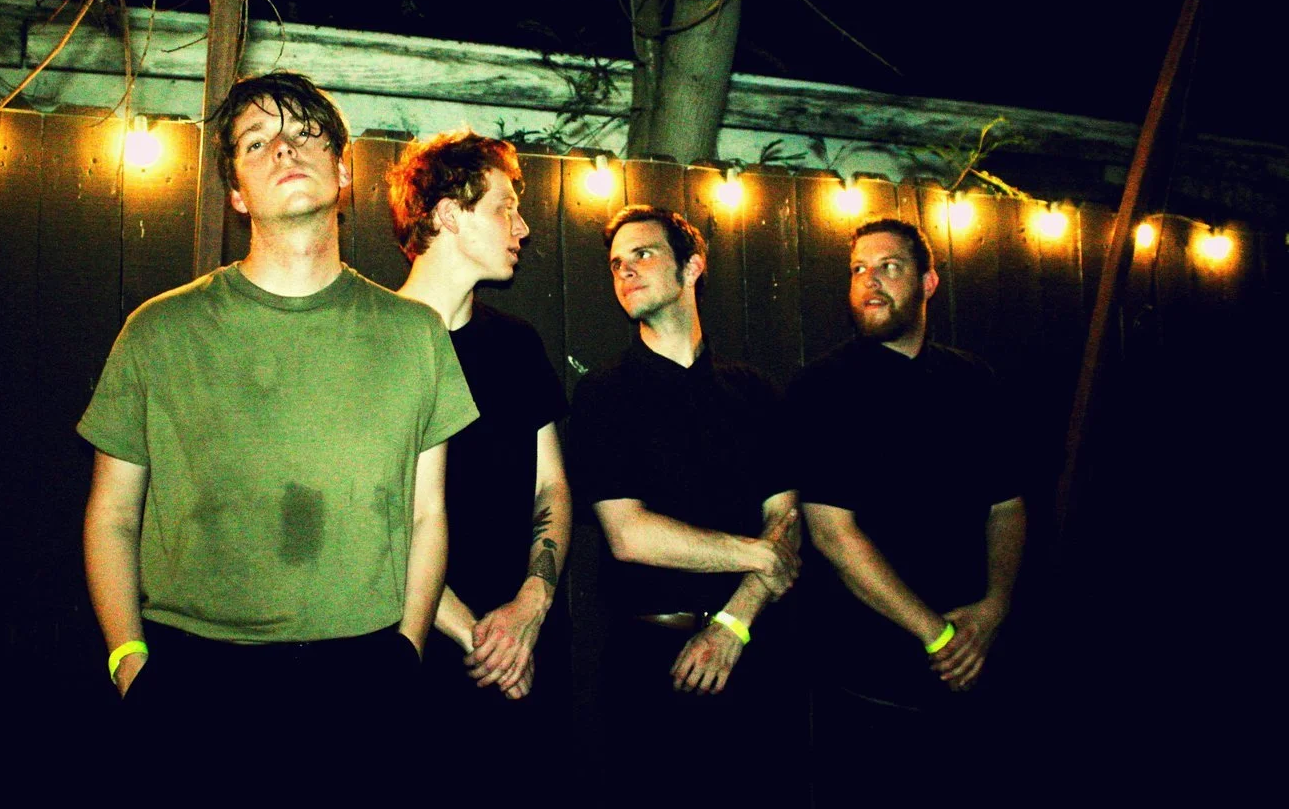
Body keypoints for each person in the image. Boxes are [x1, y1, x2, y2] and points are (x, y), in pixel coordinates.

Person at [77, 71, 477, 782]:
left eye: (304, 133)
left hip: (364, 678)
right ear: (236, 193)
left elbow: (428, 513)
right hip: (194, 679)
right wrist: (129, 663)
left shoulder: (416, 334)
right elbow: (112, 514)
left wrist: (408, 649)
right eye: (256, 142)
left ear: (343, 171)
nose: (284, 149)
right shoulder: (159, 330)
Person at [566, 204, 802, 802]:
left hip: (755, 648)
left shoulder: (752, 391)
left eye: (643, 254)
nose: (625, 271)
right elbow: (629, 534)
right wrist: (757, 555)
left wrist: (734, 623)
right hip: (650, 663)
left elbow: (787, 518)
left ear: (692, 267)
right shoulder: (603, 395)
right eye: (616, 263)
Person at [794, 218, 1028, 808]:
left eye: (889, 267)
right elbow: (833, 534)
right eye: (858, 270)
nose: (869, 282)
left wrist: (994, 607)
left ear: (928, 282)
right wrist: (939, 636)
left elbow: (1006, 507)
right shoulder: (823, 388)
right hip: (869, 683)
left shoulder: (974, 380)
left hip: (977, 667)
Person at [386, 130, 573, 781]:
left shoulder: (517, 344)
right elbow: (374, 524)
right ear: (447, 214)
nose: (522, 227)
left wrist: (531, 603)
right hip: (422, 663)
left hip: (531, 648)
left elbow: (552, 487)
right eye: (504, 207)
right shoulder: (375, 344)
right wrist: (479, 638)